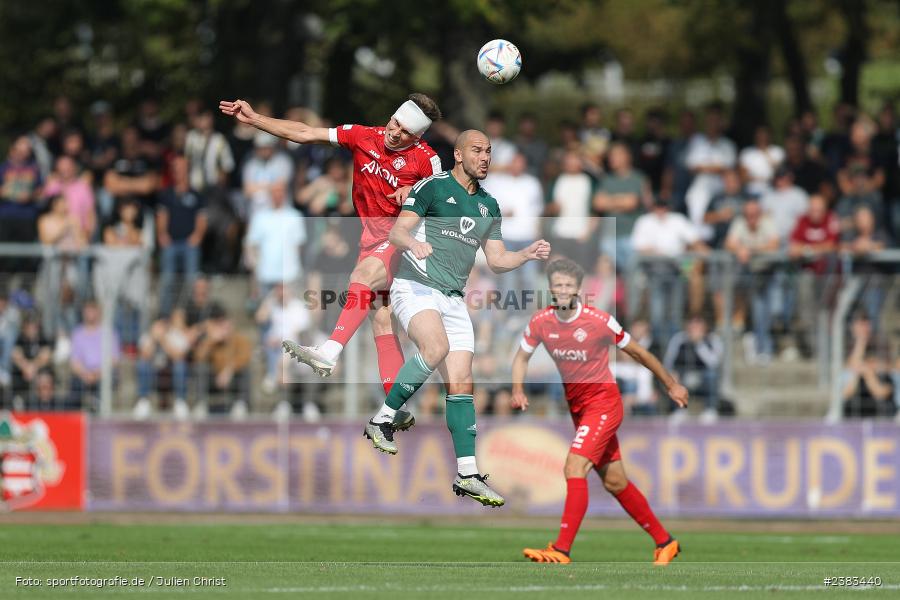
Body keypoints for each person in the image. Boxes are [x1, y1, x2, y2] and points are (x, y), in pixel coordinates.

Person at [366, 129, 550, 507]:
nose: (485, 157)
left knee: (463, 382)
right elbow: (400, 232)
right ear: (458, 154)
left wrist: (526, 255)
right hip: (415, 286)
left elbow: (497, 261)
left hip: (453, 298)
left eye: (489, 151)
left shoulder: (489, 205)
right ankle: (381, 419)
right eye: (477, 150)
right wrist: (415, 242)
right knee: (436, 347)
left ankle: (467, 474)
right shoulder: (432, 187)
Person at [220, 94, 443, 395]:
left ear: (416, 136)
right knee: (381, 321)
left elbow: (446, 201)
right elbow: (305, 133)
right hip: (370, 239)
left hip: (403, 238)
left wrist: (416, 192)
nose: (394, 132)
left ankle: (329, 351)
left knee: (361, 277)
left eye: (404, 132)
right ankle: (395, 407)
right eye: (395, 123)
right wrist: (256, 119)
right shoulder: (364, 136)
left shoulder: (427, 159)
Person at [511, 258, 687, 565]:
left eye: (569, 284)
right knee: (615, 481)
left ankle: (561, 550)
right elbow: (521, 357)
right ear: (550, 288)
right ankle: (665, 542)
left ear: (578, 289)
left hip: (604, 404)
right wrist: (517, 389)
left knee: (574, 467)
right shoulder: (541, 322)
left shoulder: (599, 320)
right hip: (578, 409)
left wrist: (671, 385)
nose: (563, 289)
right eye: (558, 284)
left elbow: (639, 352)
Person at [156, 155, 208, 316]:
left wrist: (197, 237)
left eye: (181, 168)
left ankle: (190, 314)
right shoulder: (166, 194)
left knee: (191, 280)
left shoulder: (196, 195)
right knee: (167, 280)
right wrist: (162, 235)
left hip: (189, 243)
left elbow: (202, 218)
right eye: (175, 168)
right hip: (171, 243)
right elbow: (161, 216)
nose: (178, 171)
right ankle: (164, 316)